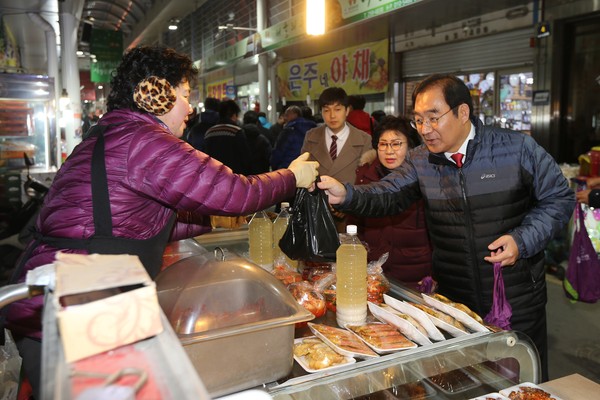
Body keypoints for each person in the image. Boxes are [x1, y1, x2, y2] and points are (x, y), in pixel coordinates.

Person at [4, 45, 319, 398]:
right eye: (185, 95)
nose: (190, 107)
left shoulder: (111, 133)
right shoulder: (145, 140)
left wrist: (209, 220)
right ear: (154, 93)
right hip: (82, 297)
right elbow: (236, 191)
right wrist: (291, 177)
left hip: (69, 290)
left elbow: (134, 222)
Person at [317, 74, 575, 381]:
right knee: (466, 379)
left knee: (519, 376)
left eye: (433, 118)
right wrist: (347, 194)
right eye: (418, 120)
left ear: (462, 112)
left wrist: (522, 240)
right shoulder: (421, 161)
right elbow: (387, 193)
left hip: (516, 295)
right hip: (456, 300)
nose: (425, 130)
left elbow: (559, 198)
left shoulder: (516, 149)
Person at [348, 115, 432, 290]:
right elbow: (355, 226)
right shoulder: (365, 177)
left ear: (410, 146)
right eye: (383, 144)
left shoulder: (426, 178)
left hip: (416, 279)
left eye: (396, 144)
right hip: (374, 277)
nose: (389, 151)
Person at [302, 87, 372, 231]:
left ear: (347, 110)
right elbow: (303, 174)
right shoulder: (311, 137)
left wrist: (346, 202)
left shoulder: (364, 139)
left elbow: (366, 181)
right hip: (317, 214)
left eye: (337, 109)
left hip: (350, 216)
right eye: (326, 110)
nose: (332, 115)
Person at [203, 99, 253, 175]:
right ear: (234, 115)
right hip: (233, 177)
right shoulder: (236, 131)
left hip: (214, 176)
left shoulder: (209, 132)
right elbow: (246, 158)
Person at [270, 105, 317, 170]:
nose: (285, 118)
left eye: (287, 115)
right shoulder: (313, 129)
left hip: (288, 168)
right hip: (308, 168)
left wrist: (274, 166)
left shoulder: (288, 131)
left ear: (294, 115)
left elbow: (279, 152)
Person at [242, 110, 272, 175]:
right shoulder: (264, 137)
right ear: (256, 122)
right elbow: (269, 156)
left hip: (242, 175)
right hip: (261, 175)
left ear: (244, 121)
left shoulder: (238, 136)